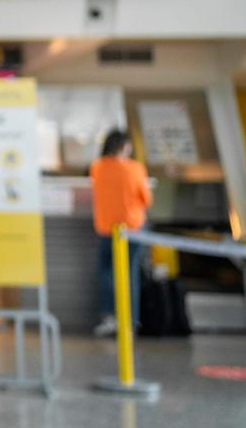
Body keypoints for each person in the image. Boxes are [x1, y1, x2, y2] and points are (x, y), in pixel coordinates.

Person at [90, 129, 153, 337]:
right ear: (125, 146)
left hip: (106, 228)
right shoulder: (135, 169)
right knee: (130, 274)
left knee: (107, 273)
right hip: (131, 229)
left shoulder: (97, 168)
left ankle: (109, 318)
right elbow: (146, 199)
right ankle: (130, 322)